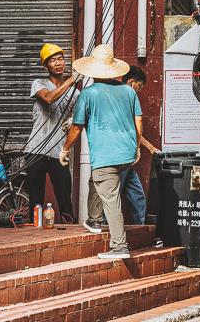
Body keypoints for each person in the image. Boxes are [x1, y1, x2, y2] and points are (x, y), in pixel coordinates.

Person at [60, 45, 141, 260]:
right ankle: (94, 219)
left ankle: (119, 246)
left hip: (105, 155)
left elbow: (76, 127)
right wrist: (137, 147)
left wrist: (65, 149)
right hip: (127, 153)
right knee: (102, 184)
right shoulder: (128, 91)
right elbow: (138, 120)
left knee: (111, 197)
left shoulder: (88, 94)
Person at [84, 64, 160, 231]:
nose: (140, 90)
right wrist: (145, 147)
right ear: (131, 82)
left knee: (137, 196)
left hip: (125, 158)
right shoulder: (124, 96)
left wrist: (149, 147)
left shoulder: (118, 93)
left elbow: (133, 130)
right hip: (118, 155)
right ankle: (104, 227)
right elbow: (134, 126)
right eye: (140, 86)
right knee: (112, 196)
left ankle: (140, 230)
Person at [24, 43, 78, 222]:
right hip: (35, 151)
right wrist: (72, 80)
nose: (58, 63)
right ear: (45, 66)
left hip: (59, 153)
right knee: (35, 200)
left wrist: (74, 119)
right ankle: (36, 236)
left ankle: (69, 235)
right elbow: (48, 98)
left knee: (65, 200)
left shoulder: (74, 93)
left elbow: (83, 118)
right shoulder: (39, 83)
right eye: (52, 60)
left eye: (60, 59)